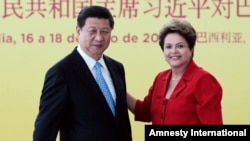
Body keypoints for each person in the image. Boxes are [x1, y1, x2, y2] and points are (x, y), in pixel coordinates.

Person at [33, 5, 132, 141]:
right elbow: (44, 131)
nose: (99, 38)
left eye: (105, 31)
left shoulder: (117, 68)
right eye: (92, 31)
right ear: (78, 31)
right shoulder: (61, 72)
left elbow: (121, 122)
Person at [127, 18, 223, 125]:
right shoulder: (160, 78)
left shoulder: (204, 80)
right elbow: (145, 112)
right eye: (168, 46)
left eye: (180, 46)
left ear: (191, 48)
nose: (173, 51)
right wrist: (119, 89)